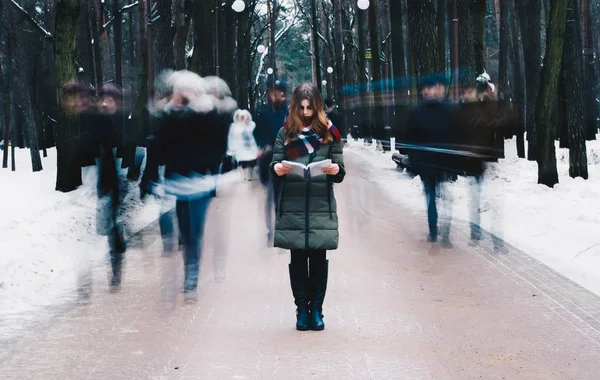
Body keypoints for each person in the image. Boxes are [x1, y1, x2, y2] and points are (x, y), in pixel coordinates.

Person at [143, 70, 237, 302]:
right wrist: (150, 175)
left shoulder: (206, 117)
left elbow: (217, 143)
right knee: (185, 231)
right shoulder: (169, 118)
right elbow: (157, 146)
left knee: (195, 230)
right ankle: (190, 268)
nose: (184, 95)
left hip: (199, 181)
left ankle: (191, 277)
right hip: (177, 181)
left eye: (189, 91)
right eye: (180, 90)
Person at [271, 83, 345, 331]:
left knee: (319, 259)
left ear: (317, 107)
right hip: (292, 204)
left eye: (310, 108)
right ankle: (301, 310)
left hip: (320, 204)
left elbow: (339, 169)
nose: (305, 113)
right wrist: (278, 168)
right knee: (298, 260)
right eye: (301, 108)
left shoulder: (330, 133)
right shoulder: (285, 132)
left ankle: (317, 311)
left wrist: (335, 170)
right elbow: (274, 163)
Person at [403, 76, 458, 247]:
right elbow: (411, 138)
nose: (431, 91)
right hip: (432, 163)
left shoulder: (444, 110)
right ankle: (437, 231)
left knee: (438, 197)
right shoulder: (439, 110)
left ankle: (440, 232)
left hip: (436, 163)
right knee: (434, 197)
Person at [85, 84, 127, 290]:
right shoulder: (96, 122)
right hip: (103, 180)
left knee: (111, 226)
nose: (104, 103)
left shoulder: (122, 123)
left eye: (108, 100)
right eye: (102, 99)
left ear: (116, 102)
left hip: (119, 182)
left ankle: (115, 270)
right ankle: (118, 249)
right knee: (107, 226)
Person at [253, 77, 289, 244]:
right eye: (276, 92)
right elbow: (257, 133)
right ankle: (271, 229)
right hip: (267, 160)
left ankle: (280, 228)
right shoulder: (261, 112)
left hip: (285, 159)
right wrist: (262, 145)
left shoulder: (288, 113)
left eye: (282, 92)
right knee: (271, 195)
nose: (279, 95)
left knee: (279, 196)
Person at [228, 109, 259, 181]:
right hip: (240, 148)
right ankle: (244, 175)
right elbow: (231, 137)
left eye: (244, 116)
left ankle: (250, 175)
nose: (242, 118)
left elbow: (256, 135)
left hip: (251, 147)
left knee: (252, 162)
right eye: (241, 116)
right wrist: (231, 149)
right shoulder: (234, 126)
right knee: (242, 163)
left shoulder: (252, 125)